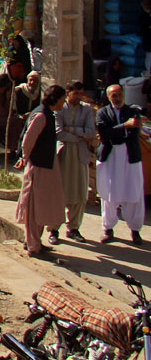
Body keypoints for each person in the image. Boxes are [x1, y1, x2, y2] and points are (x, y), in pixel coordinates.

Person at [14, 85, 68, 257]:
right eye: (62, 99)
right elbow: (28, 140)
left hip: (47, 165)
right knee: (33, 207)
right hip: (38, 166)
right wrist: (24, 157)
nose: (64, 102)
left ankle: (35, 241)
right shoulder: (41, 116)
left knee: (43, 205)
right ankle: (32, 245)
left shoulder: (48, 114)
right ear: (56, 99)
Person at [96, 83, 145, 245]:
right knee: (109, 193)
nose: (117, 98)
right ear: (108, 97)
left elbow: (132, 134)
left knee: (134, 192)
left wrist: (118, 131)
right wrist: (125, 126)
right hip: (110, 156)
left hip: (130, 156)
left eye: (119, 95)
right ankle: (108, 228)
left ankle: (135, 230)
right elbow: (104, 134)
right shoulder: (103, 113)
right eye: (113, 96)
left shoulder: (133, 111)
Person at [50, 80, 97, 243]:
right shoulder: (59, 109)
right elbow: (59, 133)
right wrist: (79, 136)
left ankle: (74, 228)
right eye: (75, 93)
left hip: (80, 155)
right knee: (60, 192)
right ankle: (53, 229)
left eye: (80, 93)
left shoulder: (87, 109)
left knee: (79, 192)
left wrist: (73, 130)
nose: (78, 96)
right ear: (68, 93)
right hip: (64, 155)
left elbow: (91, 132)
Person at [0, 73, 25, 160]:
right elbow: (1, 112)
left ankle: (17, 147)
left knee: (17, 121)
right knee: (15, 121)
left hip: (1, 118)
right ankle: (14, 148)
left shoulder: (1, 94)